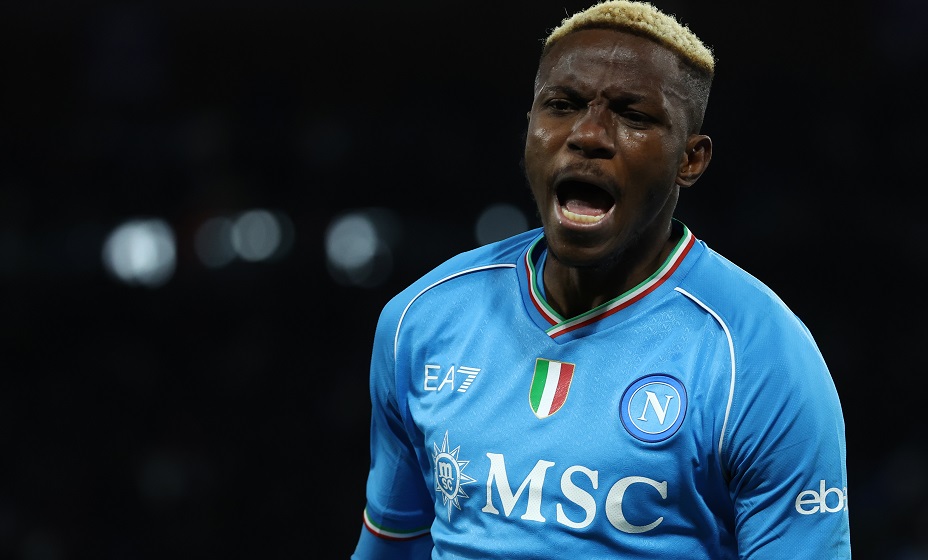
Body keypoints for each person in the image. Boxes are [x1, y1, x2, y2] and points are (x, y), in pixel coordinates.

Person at [350, 1, 851, 558]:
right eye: (562, 105)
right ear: (529, 128)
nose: (588, 134)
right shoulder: (422, 320)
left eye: (633, 115)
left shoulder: (760, 358)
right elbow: (391, 545)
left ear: (690, 159)